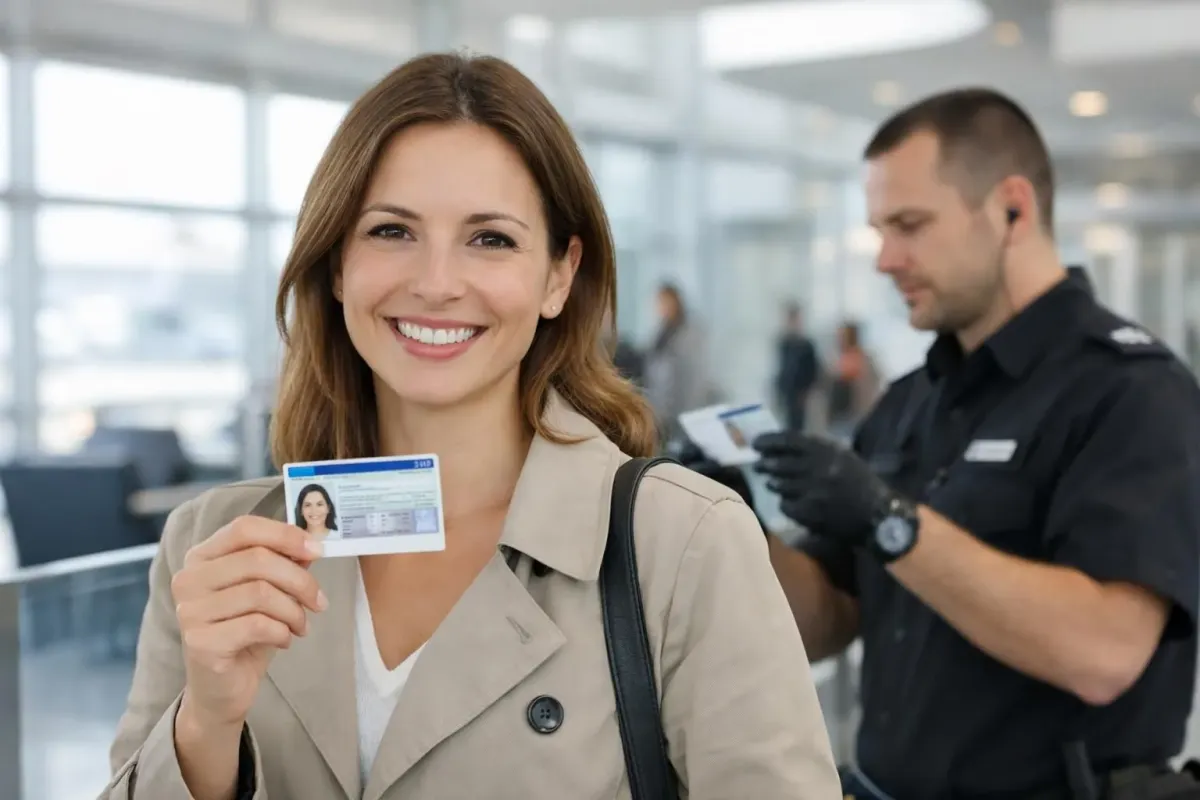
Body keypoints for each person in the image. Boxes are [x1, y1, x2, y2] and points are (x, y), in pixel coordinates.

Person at [102, 53, 839, 800]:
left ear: (559, 275)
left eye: (491, 239)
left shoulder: (681, 541)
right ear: (335, 265)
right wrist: (206, 727)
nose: (436, 283)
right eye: (391, 231)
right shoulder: (214, 546)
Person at [690, 88, 1200, 799]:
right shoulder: (908, 405)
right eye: (878, 229)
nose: (885, 259)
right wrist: (740, 532)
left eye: (910, 225)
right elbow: (825, 625)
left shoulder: (1131, 393)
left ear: (1011, 209)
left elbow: (1104, 651)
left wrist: (889, 521)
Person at [643, 282, 711, 444]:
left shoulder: (690, 332)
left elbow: (694, 375)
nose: (661, 307)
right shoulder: (662, 331)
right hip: (661, 408)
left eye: (665, 302)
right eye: (659, 302)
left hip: (684, 407)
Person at [825, 321, 879, 441]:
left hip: (856, 415)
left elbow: (870, 388)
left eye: (843, 336)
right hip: (838, 416)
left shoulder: (863, 359)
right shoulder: (836, 360)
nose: (839, 339)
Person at [774, 302, 820, 431]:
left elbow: (813, 370)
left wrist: (807, 391)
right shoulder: (784, 343)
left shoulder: (807, 345)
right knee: (786, 423)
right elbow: (782, 368)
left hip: (801, 393)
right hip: (787, 391)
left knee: (799, 425)